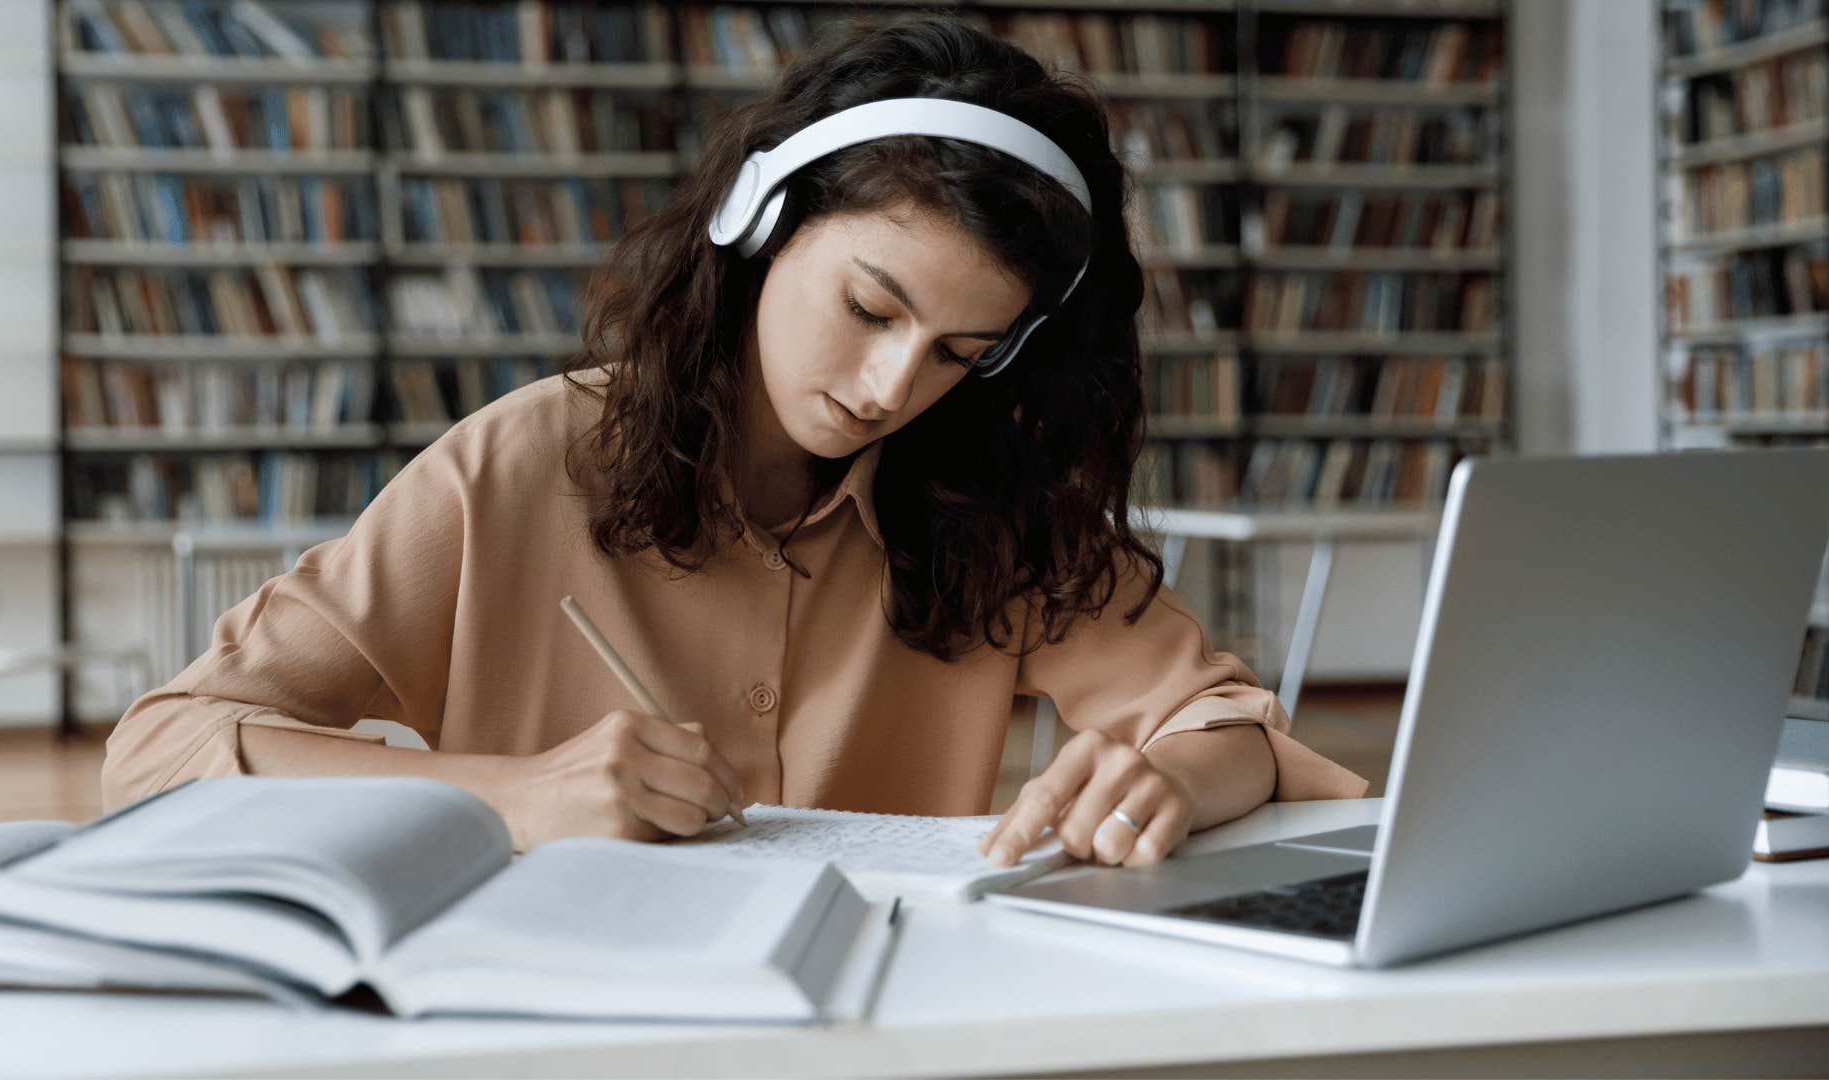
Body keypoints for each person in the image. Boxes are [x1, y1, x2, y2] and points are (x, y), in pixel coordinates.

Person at [102, 14, 1367, 869]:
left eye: (959, 353)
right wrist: (510, 794)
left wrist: (1181, 782)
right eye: (872, 307)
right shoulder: (522, 465)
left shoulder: (991, 497)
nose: (890, 385)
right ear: (761, 226)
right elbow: (159, 753)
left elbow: (1225, 722)